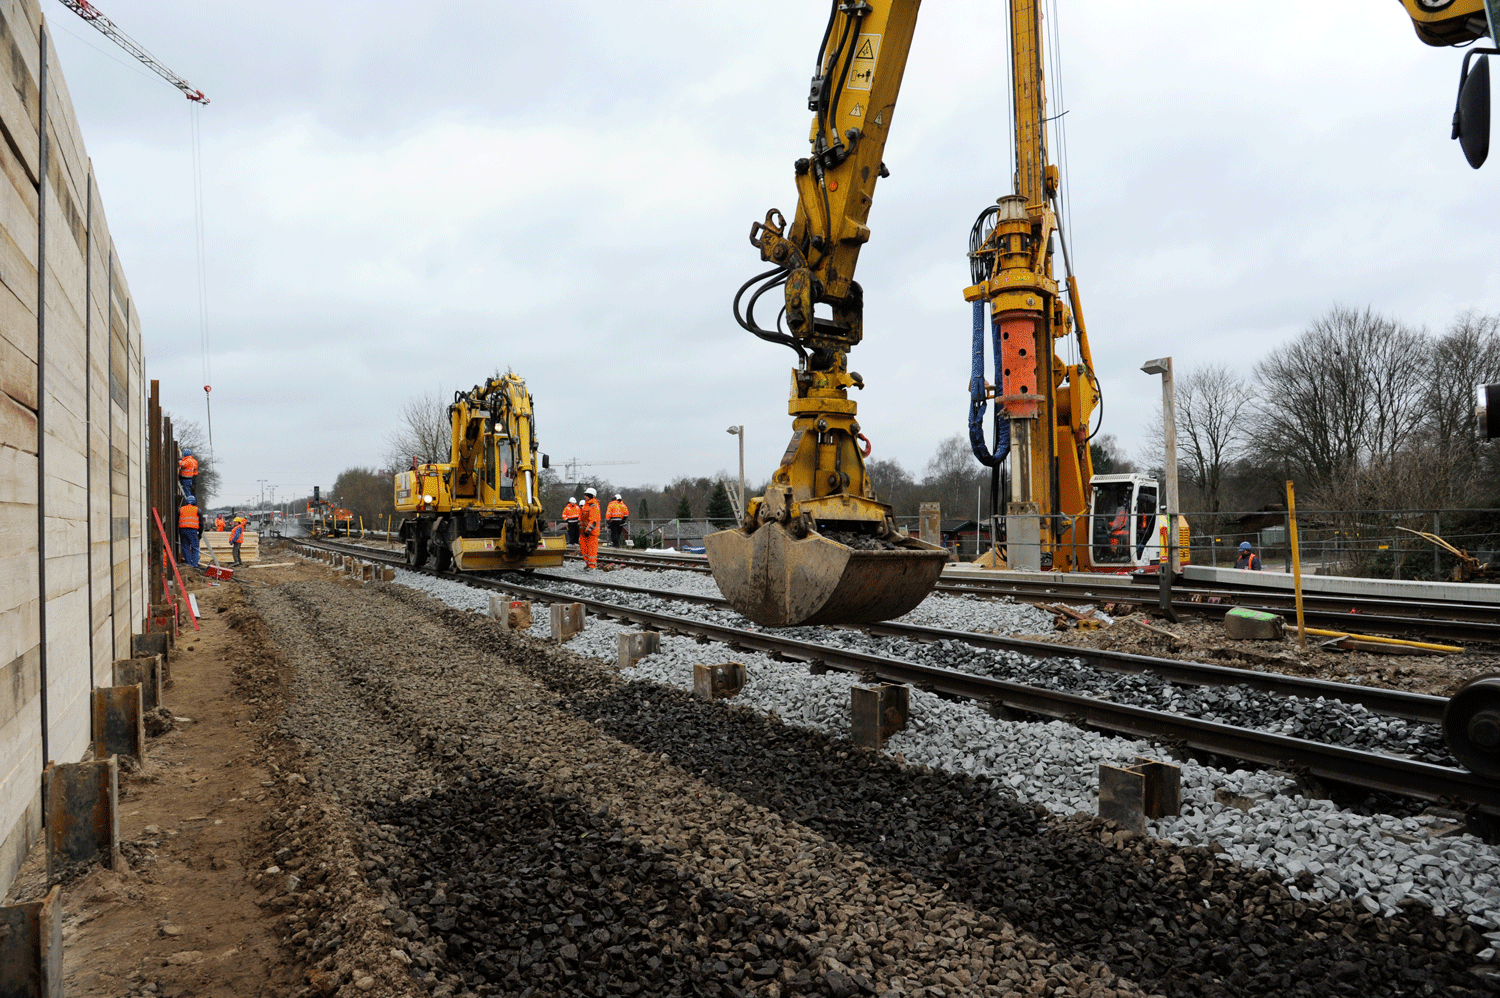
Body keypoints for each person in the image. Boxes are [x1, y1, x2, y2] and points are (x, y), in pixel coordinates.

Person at [578, 487, 601, 570]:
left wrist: (588, 530)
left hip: (591, 532)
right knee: (584, 549)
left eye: (587, 495)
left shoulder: (593, 506)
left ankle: (592, 566)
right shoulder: (586, 505)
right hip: (584, 532)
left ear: (591, 496)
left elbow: (593, 520)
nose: (585, 496)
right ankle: (588, 564)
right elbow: (581, 516)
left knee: (592, 550)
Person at [177, 500, 200, 568]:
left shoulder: (181, 509)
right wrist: (200, 533)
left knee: (185, 547)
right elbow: (201, 522)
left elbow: (176, 520)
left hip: (183, 530)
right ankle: (195, 565)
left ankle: (188, 564)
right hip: (193, 531)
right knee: (195, 548)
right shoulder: (197, 510)